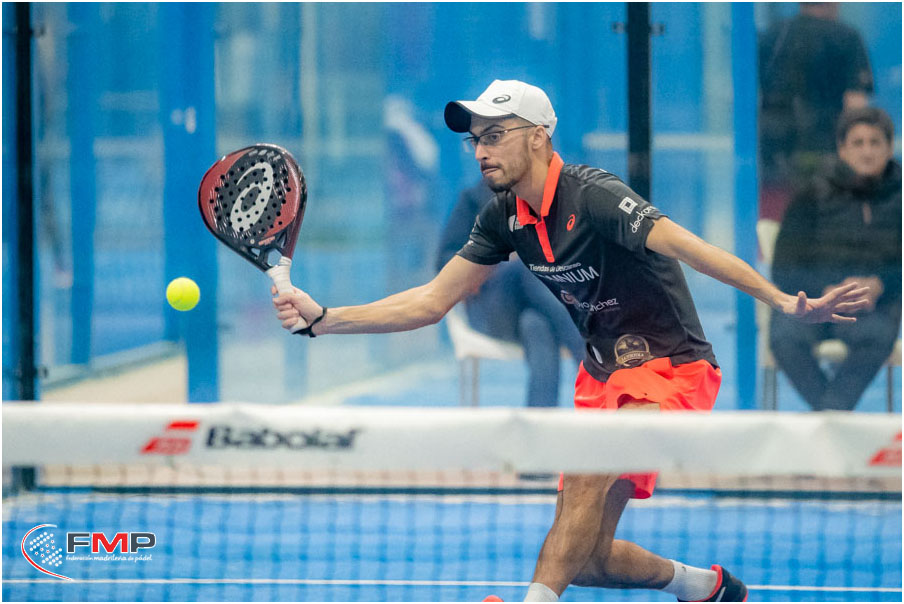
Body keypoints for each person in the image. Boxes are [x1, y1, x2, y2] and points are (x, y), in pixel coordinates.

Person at [273, 80, 868, 601]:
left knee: (589, 469)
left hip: (672, 368)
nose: (481, 151)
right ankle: (703, 588)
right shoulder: (502, 217)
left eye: (494, 136)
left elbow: (694, 248)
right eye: (475, 140)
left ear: (538, 137)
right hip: (602, 376)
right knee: (587, 559)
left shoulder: (595, 196)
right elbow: (431, 301)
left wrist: (783, 301)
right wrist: (323, 319)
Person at [769, 107, 901, 412]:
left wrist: (881, 284)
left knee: (878, 336)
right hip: (814, 300)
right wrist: (827, 290)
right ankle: (832, 417)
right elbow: (783, 267)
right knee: (784, 337)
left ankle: (828, 419)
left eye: (875, 142)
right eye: (858, 143)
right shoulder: (811, 193)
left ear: (889, 148)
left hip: (872, 306)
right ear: (842, 149)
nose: (867, 151)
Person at [437, 179, 585, 406]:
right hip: (491, 309)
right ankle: (587, 353)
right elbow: (444, 260)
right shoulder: (472, 199)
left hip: (536, 308)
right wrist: (492, 260)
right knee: (526, 265)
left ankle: (540, 420)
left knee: (536, 325)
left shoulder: (543, 199)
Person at [758, 1, 874, 222]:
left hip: (775, 156)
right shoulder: (846, 37)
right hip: (827, 153)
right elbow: (856, 106)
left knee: (776, 224)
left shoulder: (774, 35)